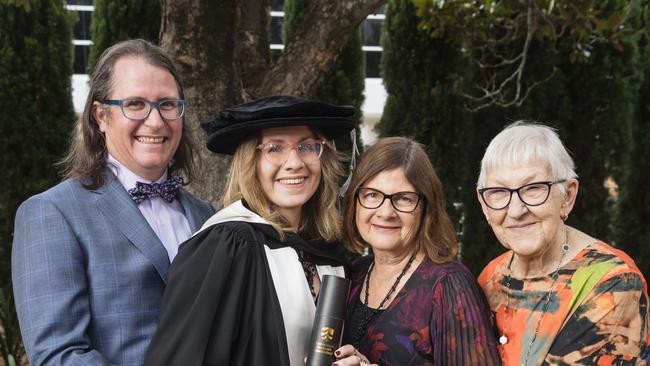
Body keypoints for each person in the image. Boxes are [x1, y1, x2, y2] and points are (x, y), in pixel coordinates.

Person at [11, 39, 215, 366]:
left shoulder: (207, 216)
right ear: (101, 116)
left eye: (167, 104)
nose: (155, 121)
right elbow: (59, 355)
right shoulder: (53, 213)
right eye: (135, 104)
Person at [143, 95, 356, 366]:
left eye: (307, 146)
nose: (294, 162)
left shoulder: (328, 253)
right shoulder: (225, 246)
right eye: (275, 148)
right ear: (250, 162)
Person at [476, 122, 650, 365]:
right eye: (498, 192)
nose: (515, 210)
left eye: (533, 188)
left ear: (567, 196)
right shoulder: (489, 278)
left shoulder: (613, 283)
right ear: (484, 204)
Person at [334, 137, 501, 366]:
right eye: (372, 194)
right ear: (356, 201)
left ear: (425, 208)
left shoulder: (450, 285)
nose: (385, 212)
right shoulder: (354, 274)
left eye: (403, 198)